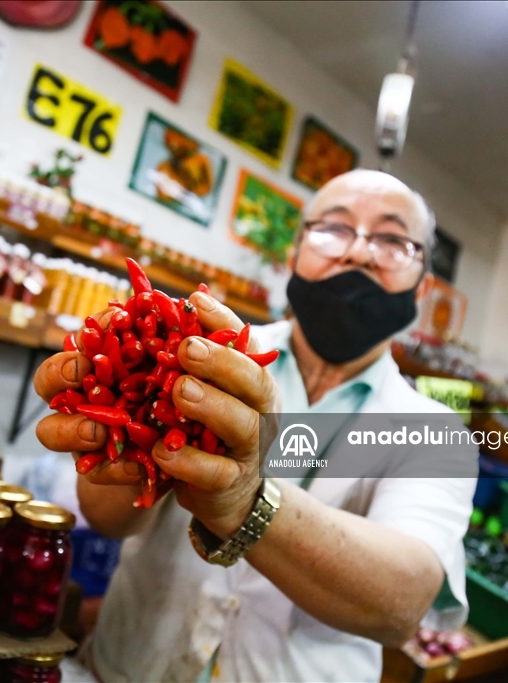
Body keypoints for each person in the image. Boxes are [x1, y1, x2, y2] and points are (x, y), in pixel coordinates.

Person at [34, 169, 478, 682]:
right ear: (293, 257)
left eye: (393, 240)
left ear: (420, 288)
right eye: (334, 229)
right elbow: (110, 518)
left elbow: (402, 603)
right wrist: (120, 430)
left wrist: (247, 500)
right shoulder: (207, 353)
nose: (358, 252)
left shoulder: (434, 432)